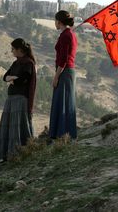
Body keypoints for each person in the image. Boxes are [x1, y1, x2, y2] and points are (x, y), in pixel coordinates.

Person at [0, 38, 37, 161]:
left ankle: (18, 154)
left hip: (20, 100)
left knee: (17, 129)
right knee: (8, 128)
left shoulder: (28, 63)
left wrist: (12, 79)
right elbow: (4, 77)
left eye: (13, 49)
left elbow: (22, 80)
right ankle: (7, 155)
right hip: (11, 99)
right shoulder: (16, 63)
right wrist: (12, 78)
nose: (12, 51)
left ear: (19, 50)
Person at [49, 10, 78, 140]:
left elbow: (63, 59)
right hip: (66, 72)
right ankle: (62, 134)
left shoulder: (66, 35)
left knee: (63, 102)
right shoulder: (67, 34)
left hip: (64, 72)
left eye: (55, 21)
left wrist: (56, 76)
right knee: (64, 102)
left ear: (59, 22)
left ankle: (63, 134)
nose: (54, 23)